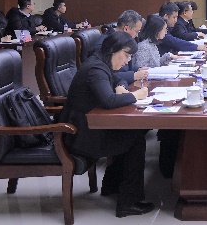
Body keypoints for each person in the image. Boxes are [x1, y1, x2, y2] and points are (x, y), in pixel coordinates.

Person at [58, 31, 154, 218]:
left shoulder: (99, 62)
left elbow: (117, 77)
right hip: (80, 136)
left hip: (87, 128)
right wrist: (135, 95)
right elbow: (108, 100)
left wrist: (120, 86)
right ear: (113, 50)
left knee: (130, 133)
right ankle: (128, 203)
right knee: (135, 140)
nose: (127, 61)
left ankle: (112, 185)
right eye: (126, 55)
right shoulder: (95, 69)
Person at [91, 10, 148, 85]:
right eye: (137, 31)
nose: (137, 35)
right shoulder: (104, 45)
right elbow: (105, 75)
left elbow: (127, 66)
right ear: (126, 29)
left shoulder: (123, 41)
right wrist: (133, 76)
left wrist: (138, 69)